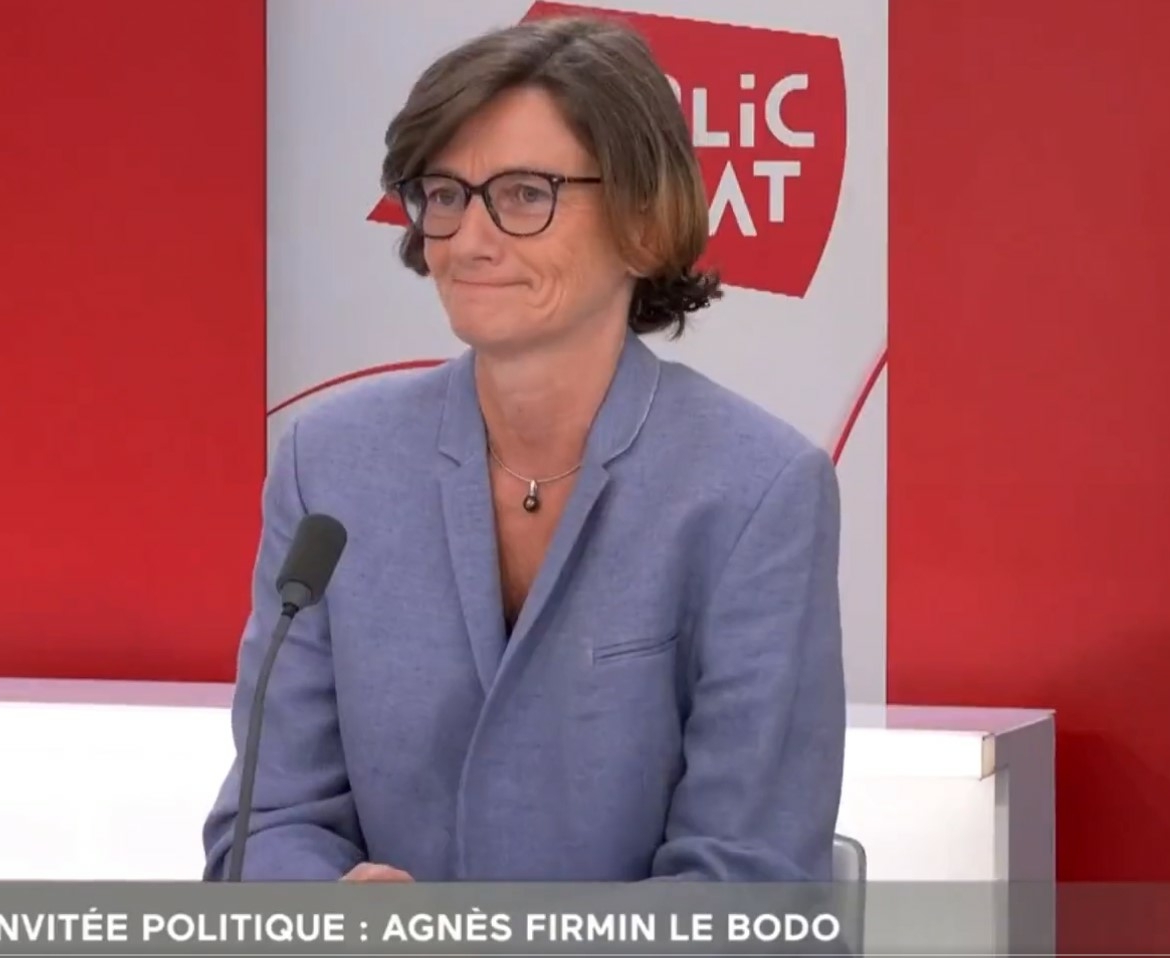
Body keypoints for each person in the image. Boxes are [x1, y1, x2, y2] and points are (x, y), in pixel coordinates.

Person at [202, 14, 845, 883]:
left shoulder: (758, 490)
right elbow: (266, 824)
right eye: (445, 195)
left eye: (525, 194)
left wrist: (471, 941)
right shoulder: (331, 465)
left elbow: (748, 890)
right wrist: (330, 908)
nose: (470, 240)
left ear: (643, 221)